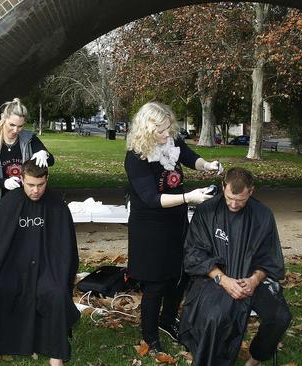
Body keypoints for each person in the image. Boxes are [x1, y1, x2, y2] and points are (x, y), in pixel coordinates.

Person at [124, 101, 224, 353]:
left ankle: (167, 320)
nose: (167, 134)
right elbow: (151, 198)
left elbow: (191, 157)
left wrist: (207, 165)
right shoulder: (136, 157)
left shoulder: (172, 144)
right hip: (149, 227)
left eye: (169, 128)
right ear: (146, 130)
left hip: (175, 220)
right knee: (156, 283)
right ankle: (150, 337)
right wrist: (188, 197)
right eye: (160, 131)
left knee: (180, 275)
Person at [0, 160, 79, 366]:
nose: (36, 191)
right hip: (12, 269)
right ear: (22, 180)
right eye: (30, 185)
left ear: (47, 180)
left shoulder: (56, 206)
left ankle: (56, 354)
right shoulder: (9, 204)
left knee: (56, 293)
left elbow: (65, 247)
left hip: (47, 269)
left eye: (41, 185)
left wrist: (59, 274)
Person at [179, 167, 292, 366]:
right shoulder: (207, 211)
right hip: (214, 278)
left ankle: (256, 358)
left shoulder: (263, 215)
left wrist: (254, 280)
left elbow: (269, 257)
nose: (233, 204)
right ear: (223, 187)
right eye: (230, 197)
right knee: (216, 317)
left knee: (280, 316)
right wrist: (223, 280)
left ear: (251, 191)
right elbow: (194, 253)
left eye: (240, 200)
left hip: (251, 279)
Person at [0, 98, 55, 222]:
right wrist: (4, 183)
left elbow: (50, 161)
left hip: (26, 205)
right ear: (3, 119)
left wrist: (44, 153)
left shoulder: (29, 139)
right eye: (12, 125)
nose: (16, 130)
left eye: (20, 126)